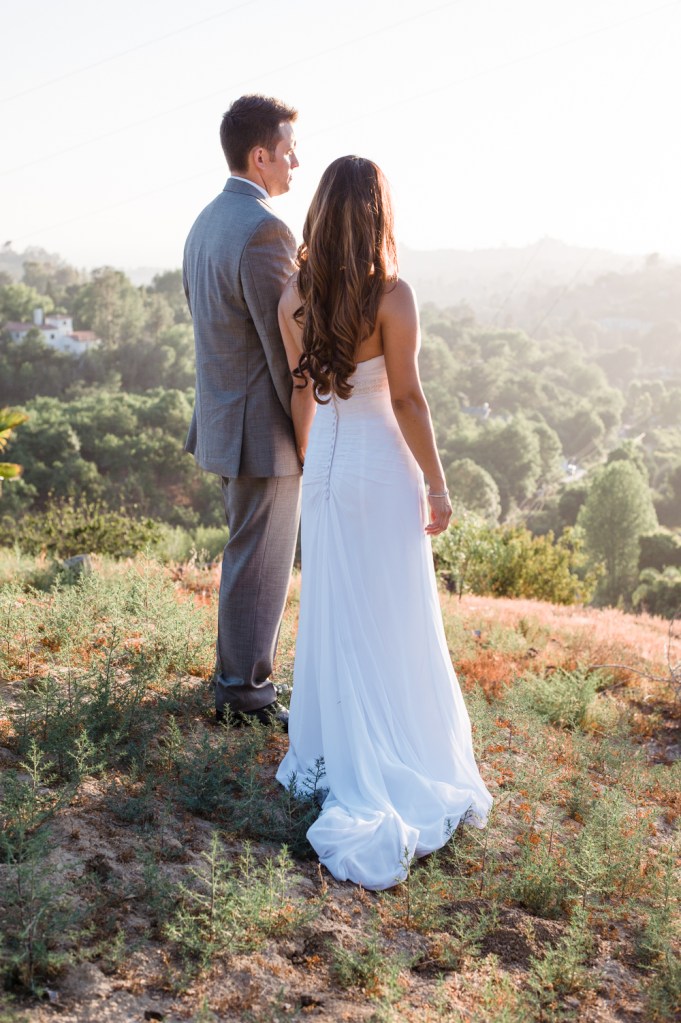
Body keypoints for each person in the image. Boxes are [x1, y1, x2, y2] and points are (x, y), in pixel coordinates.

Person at [275, 156, 493, 890]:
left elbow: (303, 395)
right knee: (395, 614)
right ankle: (398, 750)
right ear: (376, 214)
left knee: (335, 610)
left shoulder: (293, 297)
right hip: (382, 470)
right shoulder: (392, 297)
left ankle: (332, 749)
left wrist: (312, 463)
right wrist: (437, 484)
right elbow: (407, 401)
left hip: (328, 474)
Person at [183, 95, 302, 728]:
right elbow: (284, 349)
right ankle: (245, 694)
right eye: (288, 152)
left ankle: (236, 679)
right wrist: (310, 427)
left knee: (245, 554)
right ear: (260, 156)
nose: (295, 163)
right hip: (264, 428)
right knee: (261, 564)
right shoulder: (265, 231)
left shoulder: (205, 221)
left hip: (225, 419)